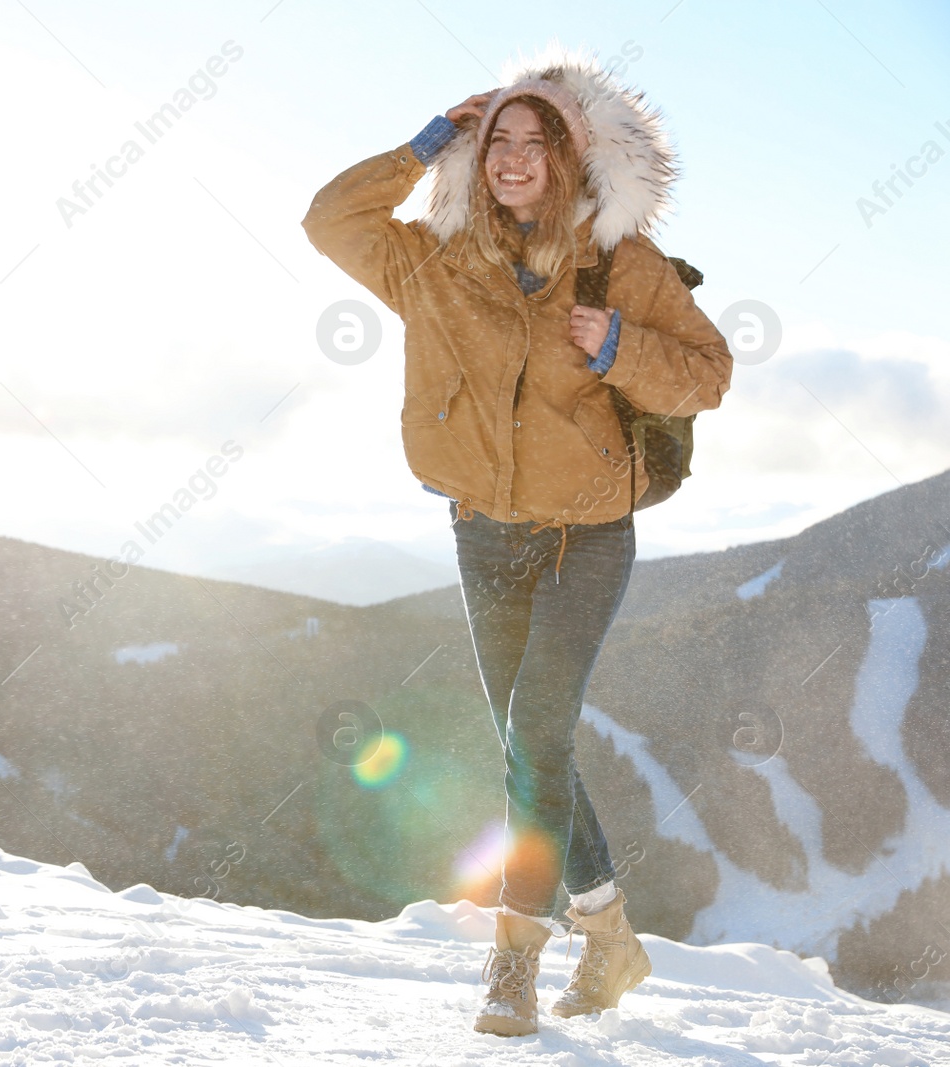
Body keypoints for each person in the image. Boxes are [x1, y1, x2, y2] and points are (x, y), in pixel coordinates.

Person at [301, 55, 732, 1037]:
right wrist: (418, 146)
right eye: (497, 137)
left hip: (587, 536)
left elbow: (707, 374)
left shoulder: (620, 263)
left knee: (532, 739)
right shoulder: (432, 261)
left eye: (537, 140)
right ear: (475, 153)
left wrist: (620, 344)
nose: (514, 156)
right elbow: (329, 221)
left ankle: (513, 963)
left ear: (571, 157)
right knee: (531, 748)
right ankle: (612, 937)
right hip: (481, 533)